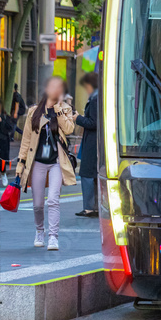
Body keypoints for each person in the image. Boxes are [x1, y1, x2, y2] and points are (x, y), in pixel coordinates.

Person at [16, 76, 76, 251]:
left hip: (57, 162)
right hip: (38, 163)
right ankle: (39, 231)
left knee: (53, 200)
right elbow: (26, 140)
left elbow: (69, 129)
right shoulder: (34, 111)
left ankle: (53, 237)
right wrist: (20, 164)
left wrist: (57, 109)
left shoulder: (65, 108)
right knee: (37, 204)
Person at [73, 73, 99, 218]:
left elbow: (93, 122)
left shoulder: (95, 99)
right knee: (92, 174)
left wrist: (78, 118)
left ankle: (89, 207)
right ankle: (93, 207)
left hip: (92, 142)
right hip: (93, 142)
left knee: (87, 174)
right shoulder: (98, 97)